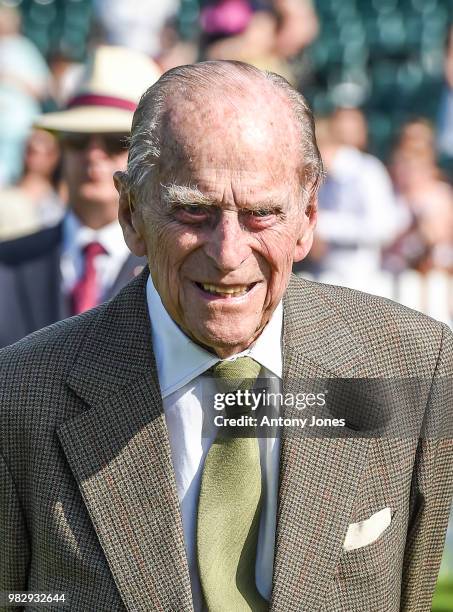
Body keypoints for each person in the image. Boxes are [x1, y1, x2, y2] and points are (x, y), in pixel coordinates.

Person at [0, 61, 452, 612]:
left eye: (262, 213)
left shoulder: (413, 365)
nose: (228, 253)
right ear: (131, 214)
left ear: (309, 217)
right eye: (194, 210)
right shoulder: (20, 396)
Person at [0, 45, 161, 348]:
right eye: (77, 139)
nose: (93, 155)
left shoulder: (173, 269)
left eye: (116, 142)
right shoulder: (6, 263)